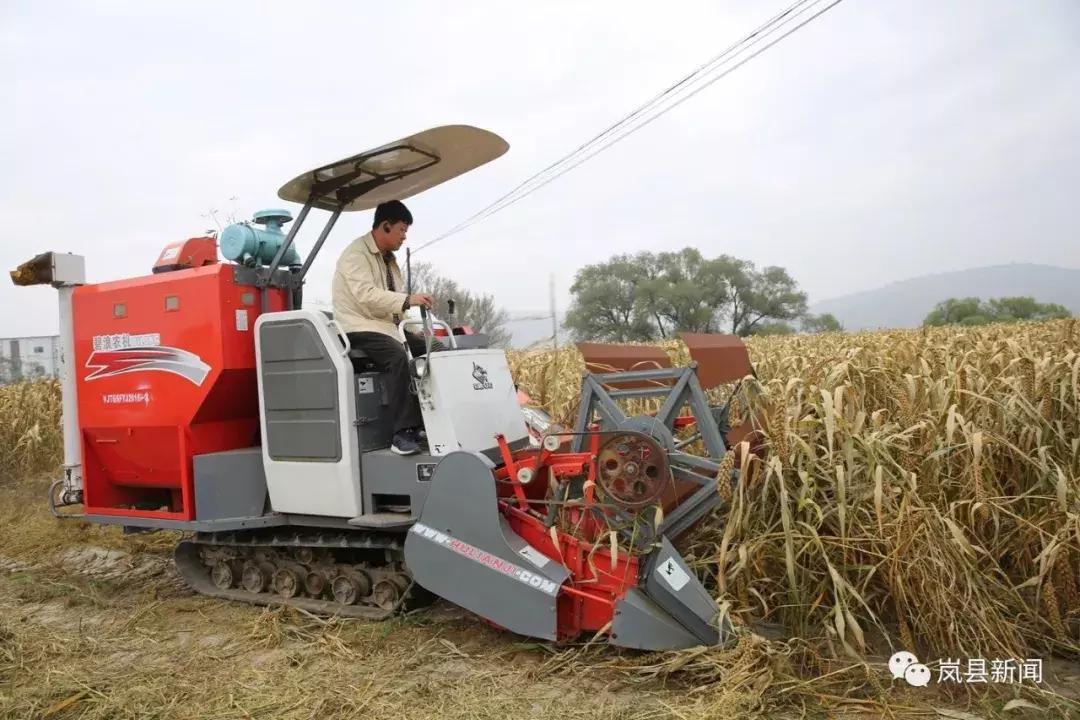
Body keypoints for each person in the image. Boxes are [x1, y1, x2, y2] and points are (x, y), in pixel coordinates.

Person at [331, 200, 433, 456]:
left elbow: (389, 302)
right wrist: (408, 299)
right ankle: (402, 433)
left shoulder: (389, 260)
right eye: (402, 230)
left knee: (436, 348)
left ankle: (430, 420)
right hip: (357, 325)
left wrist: (409, 328)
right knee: (397, 356)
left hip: (386, 326)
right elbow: (366, 295)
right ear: (385, 226)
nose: (404, 237)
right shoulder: (356, 255)